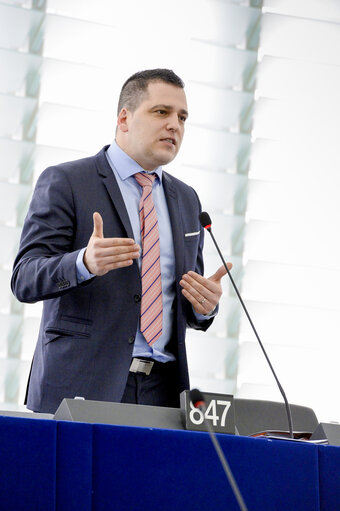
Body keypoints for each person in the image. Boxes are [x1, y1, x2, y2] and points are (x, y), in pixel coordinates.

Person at [11, 69, 230, 414]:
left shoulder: (187, 200)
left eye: (182, 117)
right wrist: (83, 263)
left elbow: (184, 304)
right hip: (81, 384)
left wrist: (205, 306)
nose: (175, 125)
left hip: (164, 392)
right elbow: (24, 279)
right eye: (162, 112)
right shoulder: (67, 181)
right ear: (124, 118)